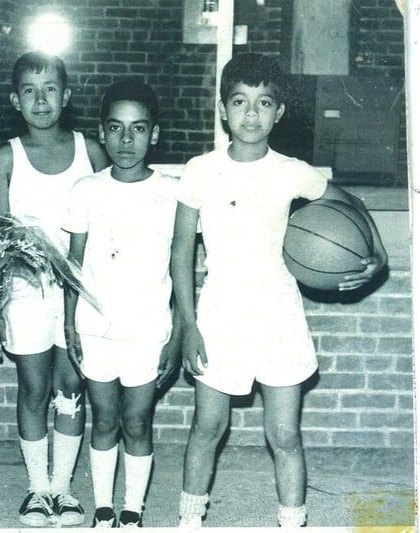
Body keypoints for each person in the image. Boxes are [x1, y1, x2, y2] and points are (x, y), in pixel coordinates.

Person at [171, 53, 387, 530]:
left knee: (285, 434)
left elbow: (347, 201)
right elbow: (180, 251)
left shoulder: (291, 170)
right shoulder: (200, 170)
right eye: (241, 102)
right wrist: (187, 325)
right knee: (207, 428)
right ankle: (189, 522)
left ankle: (293, 522)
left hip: (277, 314)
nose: (251, 114)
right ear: (223, 110)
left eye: (263, 103)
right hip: (220, 313)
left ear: (279, 112)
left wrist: (379, 255)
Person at [0, 51, 109, 527]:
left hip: (77, 290)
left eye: (50, 89)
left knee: (71, 386)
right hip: (24, 290)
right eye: (30, 91)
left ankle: (64, 490)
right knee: (33, 388)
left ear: (67, 96)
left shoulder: (91, 150)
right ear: (16, 100)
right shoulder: (5, 157)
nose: (41, 100)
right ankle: (38, 490)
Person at [62, 79, 182, 528]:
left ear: (154, 134)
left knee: (137, 422)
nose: (126, 140)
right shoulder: (86, 189)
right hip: (95, 326)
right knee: (104, 420)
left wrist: (180, 330)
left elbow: (187, 268)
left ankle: (132, 510)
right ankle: (104, 510)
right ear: (102, 132)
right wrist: (70, 326)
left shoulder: (173, 192)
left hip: (148, 328)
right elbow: (71, 266)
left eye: (137, 129)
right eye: (116, 128)